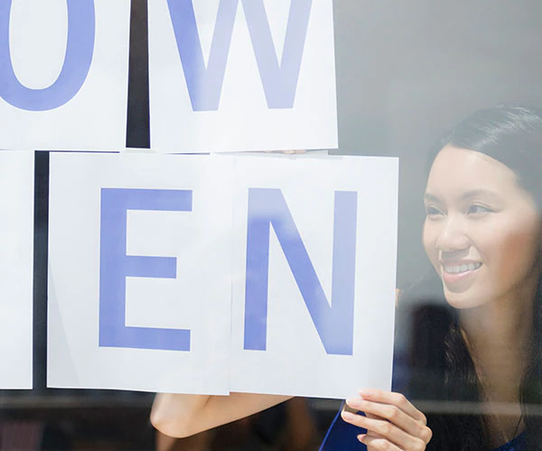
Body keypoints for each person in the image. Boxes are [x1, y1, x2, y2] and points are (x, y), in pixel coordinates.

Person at [150, 104, 542, 450]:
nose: (446, 238)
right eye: (435, 211)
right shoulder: (380, 324)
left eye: (477, 208)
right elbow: (177, 416)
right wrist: (249, 195)